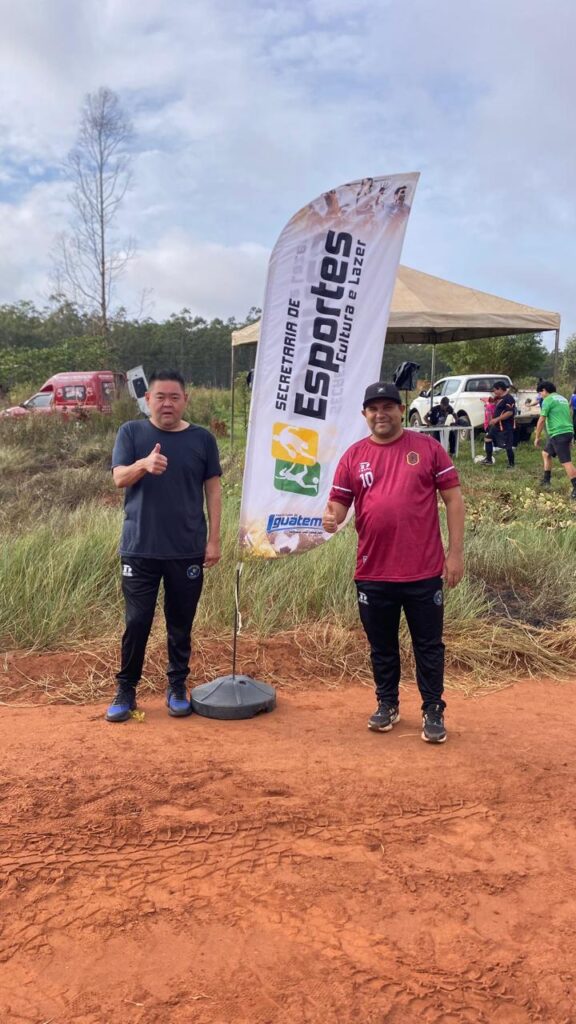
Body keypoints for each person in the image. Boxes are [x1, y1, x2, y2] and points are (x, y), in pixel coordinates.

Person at [322, 382, 465, 744]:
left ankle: (433, 709)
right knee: (381, 646)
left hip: (423, 571)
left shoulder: (428, 449)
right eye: (373, 408)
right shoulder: (353, 456)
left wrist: (456, 553)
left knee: (428, 646)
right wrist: (331, 518)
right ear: (364, 414)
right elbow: (339, 505)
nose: (380, 414)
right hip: (373, 571)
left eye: (388, 407)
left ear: (401, 410)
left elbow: (454, 500)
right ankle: (387, 704)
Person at [105, 369, 222, 723]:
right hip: (139, 548)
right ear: (147, 400)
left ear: (185, 400)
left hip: (186, 547)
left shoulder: (202, 439)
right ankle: (126, 689)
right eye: (160, 397)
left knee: (180, 622)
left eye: (174, 397)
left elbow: (213, 490)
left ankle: (177, 686)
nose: (167, 403)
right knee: (137, 621)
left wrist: (214, 539)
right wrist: (143, 463)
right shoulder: (132, 432)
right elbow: (118, 478)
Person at [534, 381, 576, 499]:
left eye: (540, 392)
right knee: (546, 454)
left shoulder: (548, 400)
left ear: (544, 390)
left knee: (566, 462)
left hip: (559, 434)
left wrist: (537, 437)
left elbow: (541, 420)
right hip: (565, 431)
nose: (540, 395)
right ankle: (546, 480)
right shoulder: (562, 398)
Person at [481, 381, 516, 468]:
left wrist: (497, 419)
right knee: (487, 438)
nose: (494, 392)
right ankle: (489, 459)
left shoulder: (509, 398)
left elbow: (509, 412)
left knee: (508, 445)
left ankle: (511, 464)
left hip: (505, 426)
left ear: (500, 389)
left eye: (495, 390)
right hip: (496, 425)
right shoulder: (500, 398)